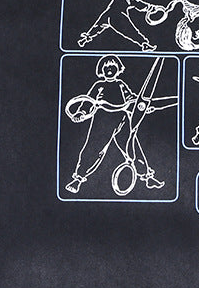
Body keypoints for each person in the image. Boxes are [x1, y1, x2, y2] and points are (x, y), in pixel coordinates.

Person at [65, 55, 164, 194]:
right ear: (101, 70)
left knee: (132, 147)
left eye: (113, 67)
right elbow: (88, 101)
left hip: (122, 118)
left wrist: (142, 107)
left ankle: (147, 177)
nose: (110, 70)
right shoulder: (99, 85)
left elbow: (131, 99)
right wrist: (81, 113)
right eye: (106, 68)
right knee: (93, 147)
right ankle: (78, 179)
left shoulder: (121, 84)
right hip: (103, 120)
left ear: (118, 69)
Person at [78, 0, 157, 51]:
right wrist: (151, 8)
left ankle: (84, 39)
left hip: (108, 15)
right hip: (118, 17)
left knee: (97, 27)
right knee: (131, 32)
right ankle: (144, 44)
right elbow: (138, 4)